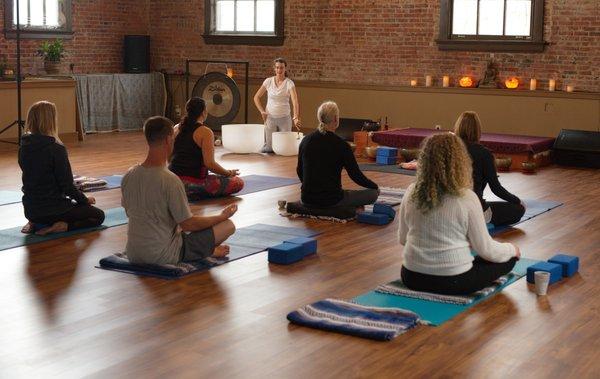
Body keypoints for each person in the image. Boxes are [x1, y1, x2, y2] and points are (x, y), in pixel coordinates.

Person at [398, 133, 520, 295]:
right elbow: (485, 249)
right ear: (460, 161)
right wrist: (512, 249)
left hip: (411, 277)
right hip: (453, 281)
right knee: (509, 260)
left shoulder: (411, 191)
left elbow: (403, 239)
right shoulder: (467, 197)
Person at [122, 116, 237, 265]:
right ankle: (205, 251)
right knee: (228, 226)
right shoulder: (171, 180)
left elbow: (130, 212)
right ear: (169, 139)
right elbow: (188, 224)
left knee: (179, 229)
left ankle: (206, 250)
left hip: (134, 254)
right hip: (163, 256)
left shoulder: (128, 175)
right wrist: (221, 216)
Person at [18, 101, 104, 235]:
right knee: (98, 216)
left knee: (69, 206)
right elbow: (67, 186)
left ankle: (35, 222)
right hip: (53, 210)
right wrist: (85, 200)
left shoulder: (24, 146)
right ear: (50, 121)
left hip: (30, 210)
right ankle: (62, 226)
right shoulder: (55, 149)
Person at [297, 101, 379, 208]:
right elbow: (356, 175)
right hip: (332, 200)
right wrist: (375, 187)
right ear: (336, 119)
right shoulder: (341, 145)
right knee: (372, 194)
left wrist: (311, 189)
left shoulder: (306, 140)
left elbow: (299, 170)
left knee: (346, 192)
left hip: (307, 199)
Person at [454, 111, 525, 226]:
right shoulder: (484, 153)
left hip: (449, 210)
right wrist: (517, 201)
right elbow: (496, 188)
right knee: (518, 210)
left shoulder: (449, 150)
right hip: (474, 210)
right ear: (478, 130)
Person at [169, 97, 244, 201]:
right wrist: (229, 173)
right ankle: (189, 191)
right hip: (193, 182)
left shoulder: (176, 128)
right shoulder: (205, 132)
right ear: (204, 112)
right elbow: (209, 164)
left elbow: (169, 157)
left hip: (172, 179)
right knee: (238, 183)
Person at [253, 58, 301, 153]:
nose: (279, 70)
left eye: (281, 68)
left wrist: (295, 117)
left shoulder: (289, 83)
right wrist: (262, 111)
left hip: (285, 118)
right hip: (270, 118)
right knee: (269, 149)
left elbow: (295, 101)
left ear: (285, 69)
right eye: (277, 68)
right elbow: (256, 97)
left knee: (284, 148)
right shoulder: (268, 81)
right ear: (274, 69)